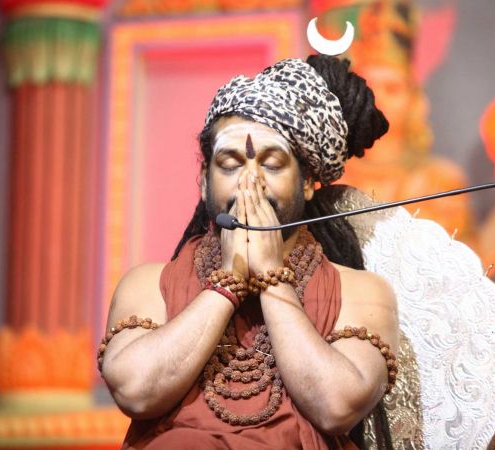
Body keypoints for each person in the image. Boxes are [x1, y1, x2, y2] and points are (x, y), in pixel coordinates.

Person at [98, 55, 399, 449]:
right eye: (230, 164)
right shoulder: (148, 283)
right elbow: (135, 393)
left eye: (272, 165)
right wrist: (227, 282)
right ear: (204, 180)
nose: (250, 183)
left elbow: (336, 407)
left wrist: (273, 278)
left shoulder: (362, 291)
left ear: (307, 182)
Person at [323, 0, 495, 274]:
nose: (378, 99)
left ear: (414, 100)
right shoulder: (327, 177)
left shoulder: (439, 180)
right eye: (369, 86)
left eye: (392, 88)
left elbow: (471, 268)